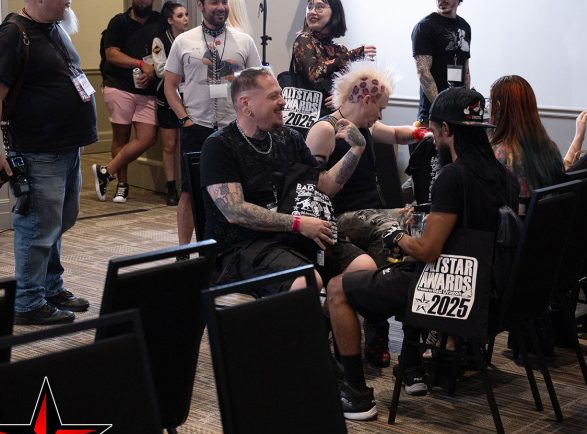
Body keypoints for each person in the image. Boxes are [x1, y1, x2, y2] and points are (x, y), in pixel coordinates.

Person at [327, 87, 517, 421]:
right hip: (490, 289)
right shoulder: (502, 174)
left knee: (338, 288)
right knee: (401, 267)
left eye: (434, 130)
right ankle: (411, 366)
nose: (432, 137)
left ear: (446, 129)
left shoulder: (452, 176)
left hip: (450, 291)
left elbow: (428, 250)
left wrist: (395, 235)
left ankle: (356, 394)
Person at [200, 67, 376, 294]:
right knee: (307, 280)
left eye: (281, 95)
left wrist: (356, 150)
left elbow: (325, 186)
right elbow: (235, 211)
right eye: (273, 96)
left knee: (364, 268)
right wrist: (298, 223)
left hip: (290, 237)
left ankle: (329, 311)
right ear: (246, 104)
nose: (283, 102)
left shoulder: (288, 137)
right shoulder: (220, 145)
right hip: (241, 246)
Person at [306, 59, 432, 368]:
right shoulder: (325, 130)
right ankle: (376, 327)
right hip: (337, 217)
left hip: (369, 214)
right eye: (380, 107)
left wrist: (425, 134)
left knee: (415, 220)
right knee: (388, 229)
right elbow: (322, 190)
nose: (381, 115)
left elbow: (398, 133)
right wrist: (356, 149)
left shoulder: (367, 126)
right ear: (365, 99)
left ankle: (395, 328)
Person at [0, 0, 96, 324]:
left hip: (67, 147)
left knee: (58, 223)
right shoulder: (13, 33)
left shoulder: (55, 28)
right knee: (37, 227)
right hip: (39, 150)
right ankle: (27, 302)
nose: (69, 1)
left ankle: (51, 287)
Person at [163, 0, 261, 246]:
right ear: (200, 5)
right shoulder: (183, 41)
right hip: (197, 127)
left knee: (238, 191)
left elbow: (257, 86)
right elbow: (170, 86)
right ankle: (184, 252)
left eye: (224, 2)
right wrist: (185, 120)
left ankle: (236, 247)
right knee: (189, 192)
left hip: (235, 129)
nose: (221, 7)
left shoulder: (244, 41)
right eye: (214, 2)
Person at [92, 0, 160, 204]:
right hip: (119, 86)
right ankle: (122, 185)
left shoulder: (159, 21)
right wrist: (140, 64)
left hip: (148, 91)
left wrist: (152, 71)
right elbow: (111, 54)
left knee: (147, 137)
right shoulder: (118, 22)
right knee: (120, 138)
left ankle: (106, 171)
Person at [488, 75, 564, 208]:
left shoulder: (499, 154)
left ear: (498, 107)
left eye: (489, 101)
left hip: (512, 220)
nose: (487, 107)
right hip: (545, 219)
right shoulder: (550, 148)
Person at [292, 0, 376, 117]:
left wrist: (341, 97)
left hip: (334, 116)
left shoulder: (340, 50)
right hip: (306, 116)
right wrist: (353, 55)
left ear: (335, 12)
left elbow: (347, 86)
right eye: (309, 7)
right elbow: (313, 74)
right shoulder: (304, 39)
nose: (312, 12)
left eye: (319, 7)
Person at [152, 1, 189, 206]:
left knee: (188, 144)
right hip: (167, 98)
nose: (185, 19)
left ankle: (188, 185)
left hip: (188, 97)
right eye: (180, 16)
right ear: (169, 20)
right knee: (169, 145)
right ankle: (171, 187)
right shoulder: (160, 40)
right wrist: (182, 70)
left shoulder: (190, 39)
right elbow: (160, 70)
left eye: (186, 14)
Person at [412, 0, 471, 126]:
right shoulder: (425, 27)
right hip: (432, 116)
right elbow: (423, 72)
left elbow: (466, 70)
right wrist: (442, 109)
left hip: (457, 114)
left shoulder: (465, 26)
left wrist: (465, 105)